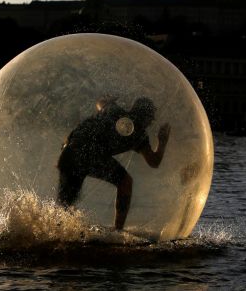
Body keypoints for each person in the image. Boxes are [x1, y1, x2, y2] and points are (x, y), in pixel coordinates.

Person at [56, 96, 171, 229]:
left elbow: (101, 102)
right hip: (87, 155)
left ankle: (51, 231)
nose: (151, 122)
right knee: (125, 182)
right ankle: (117, 231)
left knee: (64, 206)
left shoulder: (115, 111)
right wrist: (162, 142)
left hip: (68, 154)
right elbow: (154, 161)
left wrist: (106, 101)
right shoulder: (138, 134)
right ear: (145, 116)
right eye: (151, 118)